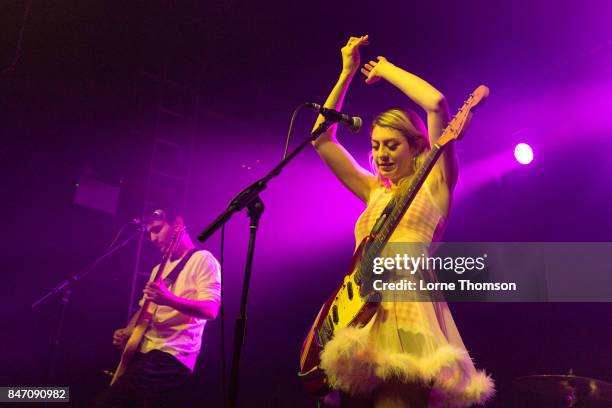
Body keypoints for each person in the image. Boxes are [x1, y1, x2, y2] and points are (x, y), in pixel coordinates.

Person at [311, 35, 494, 407]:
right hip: (359, 320)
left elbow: (437, 104)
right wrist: (345, 74)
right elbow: (322, 140)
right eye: (376, 145)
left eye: (392, 145)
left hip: (409, 316)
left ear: (418, 146)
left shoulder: (435, 187)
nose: (380, 154)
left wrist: (385, 69)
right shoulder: (373, 191)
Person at [94, 210, 221, 408]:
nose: (152, 238)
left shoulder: (203, 259)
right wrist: (128, 332)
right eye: (149, 233)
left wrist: (168, 299)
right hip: (145, 351)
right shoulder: (158, 269)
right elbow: (145, 309)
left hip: (172, 355)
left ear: (177, 224)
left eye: (157, 230)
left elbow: (211, 310)